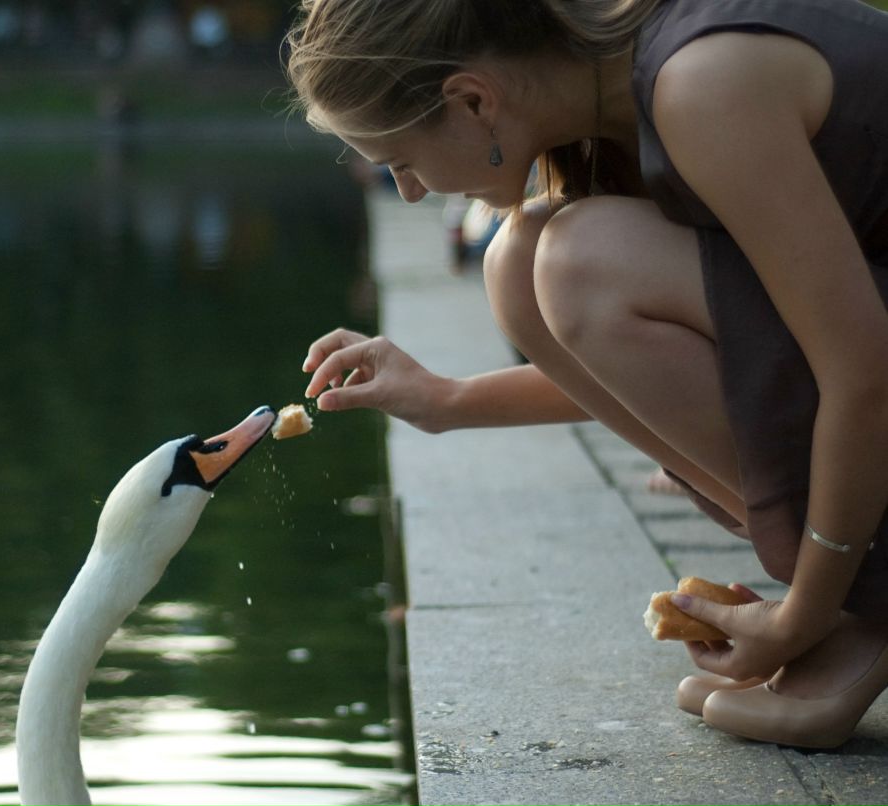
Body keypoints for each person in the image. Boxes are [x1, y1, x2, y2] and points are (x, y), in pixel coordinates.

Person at [285, 0, 888, 749]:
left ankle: (858, 608)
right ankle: (850, 588)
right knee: (521, 261)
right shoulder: (616, 115)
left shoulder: (701, 84)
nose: (407, 193)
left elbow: (864, 370)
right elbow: (735, 342)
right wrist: (446, 400)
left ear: (474, 100)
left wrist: (799, 616)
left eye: (401, 163)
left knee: (579, 260)